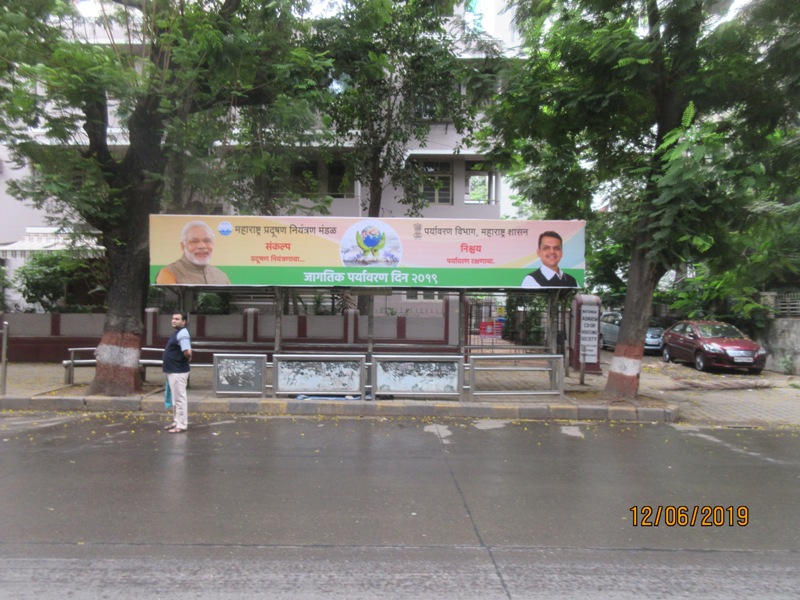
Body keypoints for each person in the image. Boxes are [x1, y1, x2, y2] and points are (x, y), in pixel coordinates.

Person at [155, 220, 230, 284]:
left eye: (207, 241)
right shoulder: (169, 273)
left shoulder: (222, 277)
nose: (202, 246)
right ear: (183, 246)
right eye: (194, 241)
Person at [163, 312, 192, 433]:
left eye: (177, 319)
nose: (174, 321)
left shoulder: (183, 333)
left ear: (184, 321)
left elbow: (188, 351)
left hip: (178, 371)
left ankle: (182, 425)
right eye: (173, 318)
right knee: (175, 398)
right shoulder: (178, 333)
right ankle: (176, 421)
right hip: (173, 370)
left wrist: (188, 357)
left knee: (179, 398)